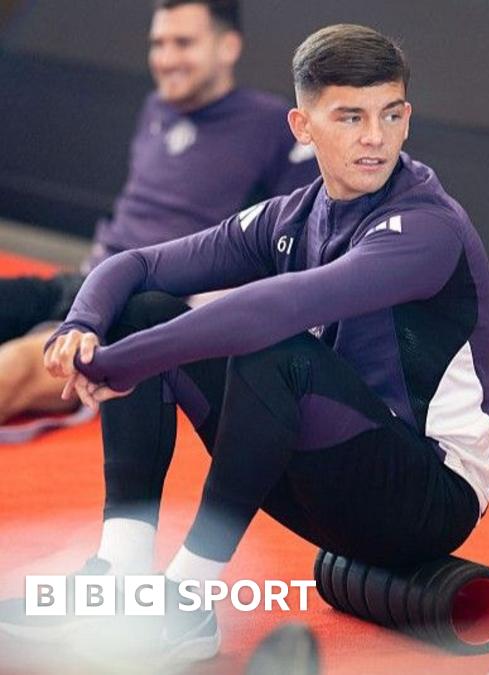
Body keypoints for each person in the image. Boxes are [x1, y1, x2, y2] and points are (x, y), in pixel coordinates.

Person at [2, 22, 489, 664]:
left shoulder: (427, 227)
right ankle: (119, 574)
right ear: (303, 126)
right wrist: (82, 327)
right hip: (330, 470)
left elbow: (274, 309)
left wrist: (119, 365)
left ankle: (185, 604)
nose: (375, 137)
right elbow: (137, 265)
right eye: (350, 117)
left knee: (276, 351)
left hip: (428, 495)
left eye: (391, 114)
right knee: (142, 310)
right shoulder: (293, 214)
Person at [0, 0, 317, 438]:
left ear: (227, 47)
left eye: (183, 43)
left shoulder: (273, 127)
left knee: (17, 367)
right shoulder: (157, 107)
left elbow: (302, 240)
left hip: (135, 314)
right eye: (158, 44)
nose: (166, 59)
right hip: (79, 283)